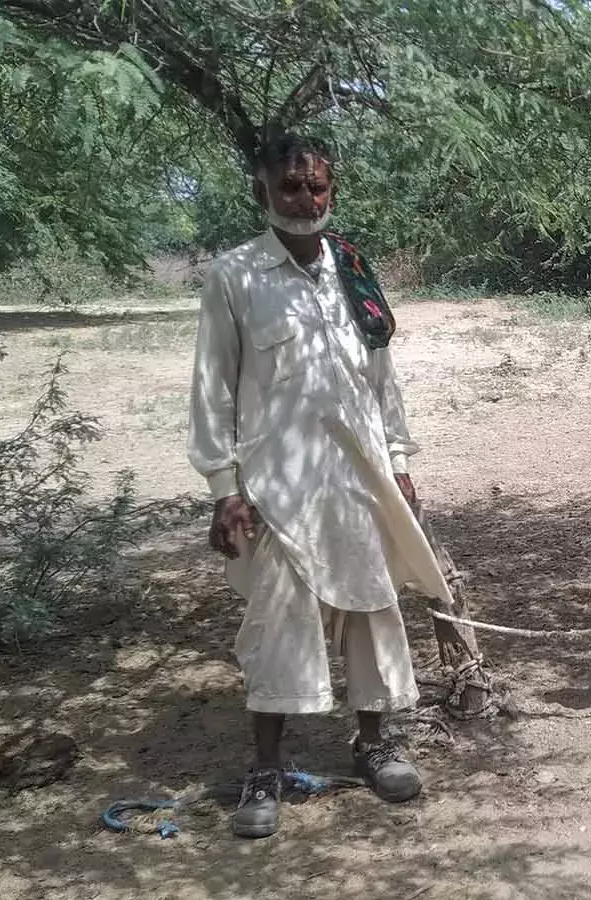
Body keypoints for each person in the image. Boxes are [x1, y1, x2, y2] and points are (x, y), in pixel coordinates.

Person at [187, 131, 455, 839]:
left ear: (332, 191)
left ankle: (375, 744)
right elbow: (212, 386)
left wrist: (397, 458)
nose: (306, 199)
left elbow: (380, 377)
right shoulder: (235, 276)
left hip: (359, 478)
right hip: (277, 486)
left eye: (318, 187)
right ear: (262, 193)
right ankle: (266, 768)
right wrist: (224, 486)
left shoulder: (355, 270)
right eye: (291, 187)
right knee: (277, 624)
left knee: (372, 609)